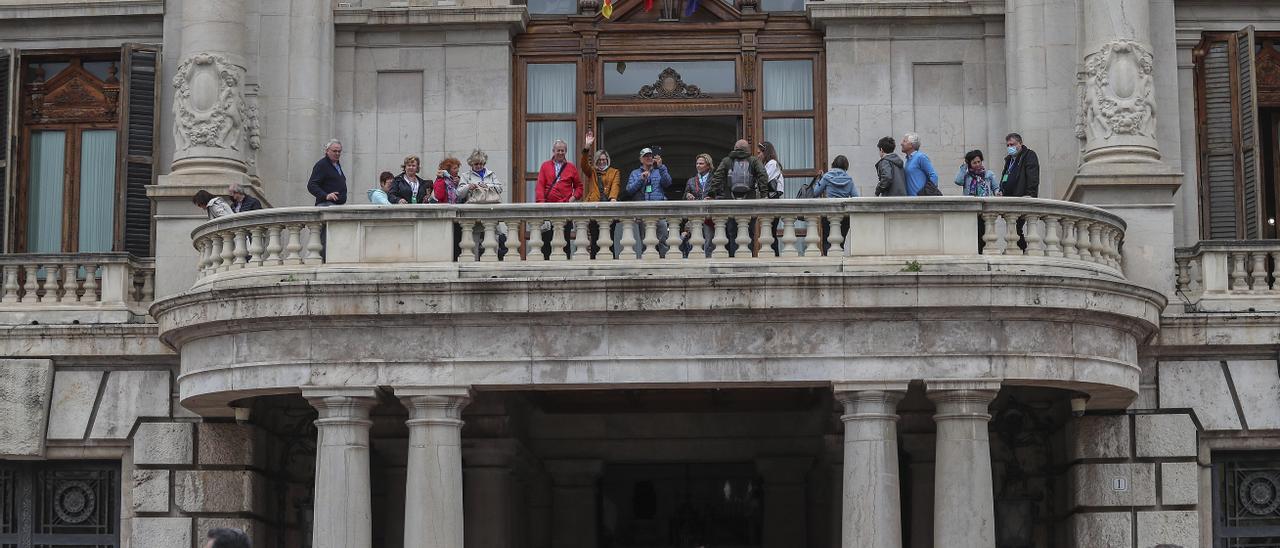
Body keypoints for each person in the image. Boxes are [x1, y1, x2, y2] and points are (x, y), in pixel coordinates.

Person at [626, 147, 673, 256]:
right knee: (646, 241)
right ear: (641, 159)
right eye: (646, 156)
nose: (649, 158)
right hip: (643, 212)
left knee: (663, 240)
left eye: (650, 156)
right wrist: (641, 179)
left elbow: (668, 182)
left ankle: (664, 264)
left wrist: (661, 167)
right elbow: (629, 190)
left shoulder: (659, 171)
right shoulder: (635, 173)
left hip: (659, 210)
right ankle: (647, 267)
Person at [682, 153, 715, 257]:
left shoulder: (715, 180)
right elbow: (683, 198)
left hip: (709, 217)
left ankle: (708, 262)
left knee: (709, 241)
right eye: (697, 163)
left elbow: (722, 196)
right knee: (695, 242)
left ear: (708, 165)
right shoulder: (691, 181)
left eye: (701, 163)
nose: (698, 165)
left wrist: (713, 199)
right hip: (695, 216)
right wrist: (688, 196)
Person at [535, 139, 583, 203]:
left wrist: (572, 198)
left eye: (562, 151)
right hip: (549, 205)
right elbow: (540, 186)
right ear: (553, 151)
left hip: (566, 205)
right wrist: (541, 203)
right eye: (558, 150)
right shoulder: (545, 166)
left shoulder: (572, 167)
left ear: (566, 152)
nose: (560, 153)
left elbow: (579, 187)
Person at [581, 130, 620, 203]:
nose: (601, 162)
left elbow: (615, 185)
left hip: (607, 203)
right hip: (593, 202)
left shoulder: (614, 172)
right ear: (596, 161)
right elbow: (584, 165)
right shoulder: (592, 171)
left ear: (607, 160)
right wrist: (587, 147)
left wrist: (613, 198)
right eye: (599, 160)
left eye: (603, 159)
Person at [307, 139, 347, 206]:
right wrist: (326, 196)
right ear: (327, 151)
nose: (337, 153)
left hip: (336, 206)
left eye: (339, 151)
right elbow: (311, 185)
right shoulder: (322, 165)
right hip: (326, 205)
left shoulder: (336, 165)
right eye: (334, 151)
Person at [1000, 132, 1040, 198]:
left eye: (1012, 144)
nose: (1009, 147)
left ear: (1020, 143)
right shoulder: (1009, 160)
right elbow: (1004, 176)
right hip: (1007, 198)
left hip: (1023, 198)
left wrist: (1030, 194)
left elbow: (1033, 177)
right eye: (1008, 145)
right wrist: (1001, 190)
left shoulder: (1029, 155)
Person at [901, 132, 939, 196]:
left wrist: (926, 193)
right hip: (911, 201)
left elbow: (934, 176)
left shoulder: (921, 157)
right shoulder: (908, 159)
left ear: (911, 145)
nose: (901, 143)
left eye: (904, 141)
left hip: (920, 201)